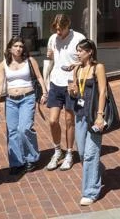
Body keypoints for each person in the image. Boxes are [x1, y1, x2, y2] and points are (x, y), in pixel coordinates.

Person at [0, 36, 49, 175]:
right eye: (15, 46)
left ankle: (31, 158)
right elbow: (0, 84)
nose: (18, 49)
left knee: (24, 129)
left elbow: (39, 77)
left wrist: (44, 92)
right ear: (10, 48)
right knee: (12, 132)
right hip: (11, 101)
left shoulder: (30, 61)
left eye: (21, 46)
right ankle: (16, 162)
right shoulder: (3, 64)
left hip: (27, 98)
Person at [68, 39, 107, 206]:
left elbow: (103, 91)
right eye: (77, 50)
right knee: (83, 152)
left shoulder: (98, 68)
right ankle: (96, 172)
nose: (77, 53)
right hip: (80, 113)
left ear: (90, 52)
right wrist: (73, 91)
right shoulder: (77, 69)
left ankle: (90, 192)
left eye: (80, 50)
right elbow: (77, 93)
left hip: (94, 114)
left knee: (91, 154)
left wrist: (100, 115)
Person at [45, 14, 85, 171]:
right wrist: (46, 84)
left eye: (60, 29)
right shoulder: (53, 39)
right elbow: (50, 60)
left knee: (69, 120)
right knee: (52, 120)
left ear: (68, 25)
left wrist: (75, 66)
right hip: (55, 82)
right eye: (56, 29)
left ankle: (69, 153)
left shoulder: (79, 38)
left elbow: (87, 60)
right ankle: (57, 151)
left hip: (71, 84)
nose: (58, 32)